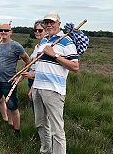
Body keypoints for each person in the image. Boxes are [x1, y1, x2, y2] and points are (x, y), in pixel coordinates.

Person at [31, 12, 79, 154]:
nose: (49, 24)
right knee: (40, 124)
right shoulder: (45, 40)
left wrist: (55, 55)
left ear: (59, 23)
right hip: (37, 87)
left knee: (57, 129)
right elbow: (39, 64)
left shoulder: (67, 41)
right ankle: (45, 150)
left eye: (52, 22)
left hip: (53, 90)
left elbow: (75, 67)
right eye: (47, 22)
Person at [0, 23, 30, 135]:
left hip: (9, 82)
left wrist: (21, 76)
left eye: (6, 30)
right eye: (1, 30)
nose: (3, 32)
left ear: (11, 32)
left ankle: (17, 132)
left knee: (13, 107)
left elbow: (28, 61)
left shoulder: (16, 46)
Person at [22, 20, 47, 110]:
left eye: (40, 30)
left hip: (39, 81)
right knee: (35, 107)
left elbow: (44, 69)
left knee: (41, 108)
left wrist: (33, 85)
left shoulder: (47, 47)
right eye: (35, 30)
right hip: (31, 79)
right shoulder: (37, 46)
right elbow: (30, 63)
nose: (37, 32)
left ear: (46, 31)